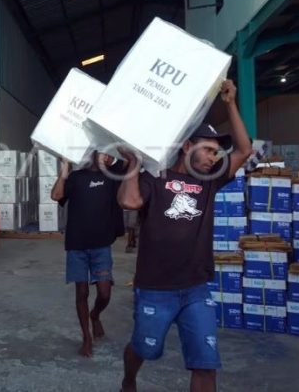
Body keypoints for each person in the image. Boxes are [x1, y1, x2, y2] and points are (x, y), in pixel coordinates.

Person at [117, 80, 251, 392]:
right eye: (209, 150)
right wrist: (134, 166)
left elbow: (245, 150)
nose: (214, 158)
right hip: (155, 288)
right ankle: (128, 379)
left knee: (206, 364)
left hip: (196, 288)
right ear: (188, 146)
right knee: (143, 349)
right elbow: (129, 202)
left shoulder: (210, 180)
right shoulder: (155, 178)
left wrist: (230, 103)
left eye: (217, 153)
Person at [51, 151, 126, 357]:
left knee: (105, 293)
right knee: (82, 292)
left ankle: (95, 315)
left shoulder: (112, 175)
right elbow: (56, 195)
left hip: (102, 245)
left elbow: (130, 161)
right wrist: (65, 169)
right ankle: (86, 337)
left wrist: (115, 157)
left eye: (109, 153)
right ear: (91, 153)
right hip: (77, 245)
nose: (106, 156)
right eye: (102, 152)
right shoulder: (76, 177)